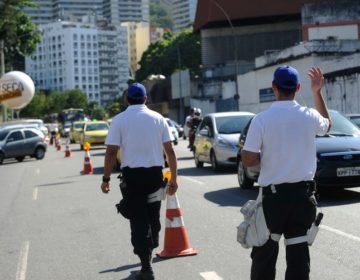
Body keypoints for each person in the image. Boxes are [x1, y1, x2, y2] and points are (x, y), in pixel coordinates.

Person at [241, 66, 331, 280]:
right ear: (298, 88)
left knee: (264, 256)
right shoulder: (309, 115)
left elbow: (248, 159)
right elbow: (327, 126)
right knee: (299, 257)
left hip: (273, 199)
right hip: (303, 197)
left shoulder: (261, 119)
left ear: (274, 87)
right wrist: (317, 92)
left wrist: (269, 157)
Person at [100, 83, 178, 280]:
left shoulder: (119, 120)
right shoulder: (158, 119)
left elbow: (110, 153)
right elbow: (170, 152)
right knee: (153, 216)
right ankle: (148, 256)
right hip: (154, 176)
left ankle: (146, 267)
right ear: (145, 99)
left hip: (132, 178)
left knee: (138, 219)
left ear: (127, 99)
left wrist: (106, 179)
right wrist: (174, 179)